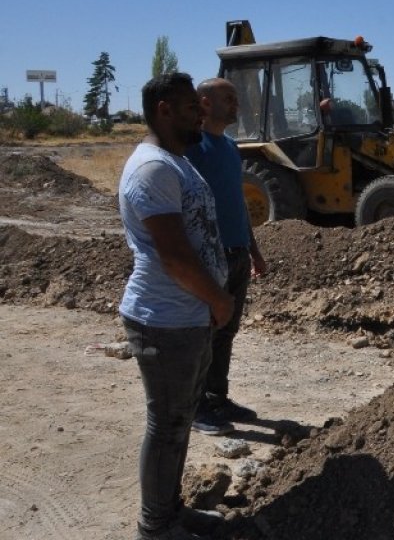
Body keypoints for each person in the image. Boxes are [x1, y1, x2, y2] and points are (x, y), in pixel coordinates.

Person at [119, 73, 234, 539]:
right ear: (164, 110)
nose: (201, 113)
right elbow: (174, 256)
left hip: (187, 318)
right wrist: (219, 300)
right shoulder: (153, 169)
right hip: (163, 322)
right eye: (191, 107)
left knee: (179, 421)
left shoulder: (175, 162)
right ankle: (155, 527)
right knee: (166, 425)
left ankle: (170, 510)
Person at [185, 78, 269, 436]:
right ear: (204, 103)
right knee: (204, 333)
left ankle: (217, 396)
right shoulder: (192, 149)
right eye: (228, 98)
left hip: (236, 254)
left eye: (236, 98)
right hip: (209, 257)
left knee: (226, 331)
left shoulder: (231, 147)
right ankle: (196, 406)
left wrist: (254, 251)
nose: (237, 104)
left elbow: (237, 204)